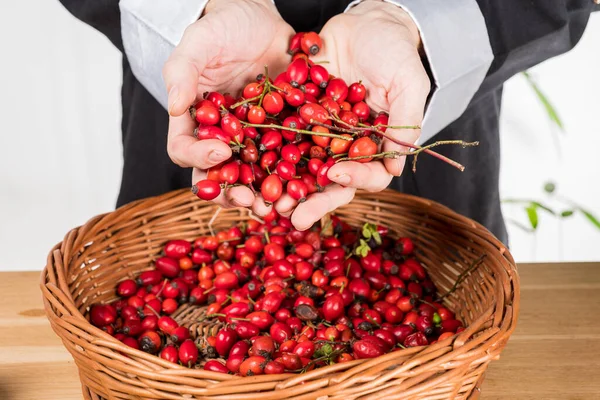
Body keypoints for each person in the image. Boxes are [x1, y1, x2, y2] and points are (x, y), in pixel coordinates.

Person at [59, 0, 599, 243]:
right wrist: (191, 8)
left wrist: (420, 21)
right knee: (164, 316)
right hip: (206, 91)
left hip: (415, 101)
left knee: (434, 305)